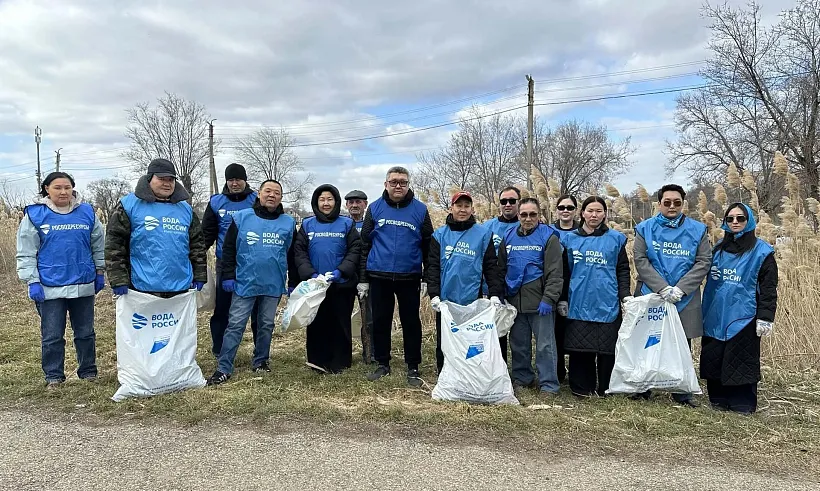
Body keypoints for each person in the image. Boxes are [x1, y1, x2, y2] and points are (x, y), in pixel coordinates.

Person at [16, 172, 105, 388]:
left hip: (82, 284)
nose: (63, 191)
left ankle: (88, 373)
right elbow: (26, 251)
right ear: (47, 189)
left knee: (85, 333)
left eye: (67, 187)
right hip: (49, 286)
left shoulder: (87, 213)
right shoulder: (36, 215)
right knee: (53, 336)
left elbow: (98, 245)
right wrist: (32, 280)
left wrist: (100, 272)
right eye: (57, 187)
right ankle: (54, 376)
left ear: (73, 188)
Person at [207, 180, 299, 385]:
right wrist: (228, 276)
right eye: (268, 191)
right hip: (244, 283)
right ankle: (223, 367)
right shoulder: (241, 218)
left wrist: (293, 281)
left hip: (272, 284)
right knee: (235, 325)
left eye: (277, 193)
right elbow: (228, 249)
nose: (272, 195)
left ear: (281, 198)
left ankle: (261, 361)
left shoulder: (288, 223)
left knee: (266, 324)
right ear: (259, 194)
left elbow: (293, 255)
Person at [633, 184, 711, 407]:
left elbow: (704, 261)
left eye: (677, 202)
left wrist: (681, 288)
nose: (672, 206)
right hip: (652, 293)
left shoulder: (698, 230)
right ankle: (643, 387)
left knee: (681, 344)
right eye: (667, 202)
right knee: (648, 342)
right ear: (659, 204)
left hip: (683, 297)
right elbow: (640, 260)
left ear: (683, 203)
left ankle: (681, 391)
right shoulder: (644, 228)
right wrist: (662, 287)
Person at [358, 166, 434, 387]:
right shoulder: (374, 208)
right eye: (394, 182)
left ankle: (413, 366)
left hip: (409, 276)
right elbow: (365, 245)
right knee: (381, 321)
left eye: (403, 182)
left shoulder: (420, 210)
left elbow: (428, 245)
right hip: (379, 275)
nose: (398, 185)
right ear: (386, 184)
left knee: (411, 322)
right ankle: (383, 363)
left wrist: (427, 277)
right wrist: (363, 278)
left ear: (409, 184)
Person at [700, 203, 777, 414]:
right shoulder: (717, 249)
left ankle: (742, 402)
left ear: (749, 221)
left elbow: (769, 288)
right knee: (715, 357)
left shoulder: (762, 252)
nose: (735, 222)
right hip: (715, 313)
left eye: (740, 218)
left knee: (741, 359)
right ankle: (718, 399)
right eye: (730, 218)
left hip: (744, 315)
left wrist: (766, 317)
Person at [558, 196, 630, 397]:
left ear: (605, 214)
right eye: (590, 210)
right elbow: (563, 271)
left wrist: (625, 296)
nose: (594, 215)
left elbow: (623, 269)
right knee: (581, 348)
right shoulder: (570, 239)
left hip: (607, 301)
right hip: (578, 301)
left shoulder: (616, 239)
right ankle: (582, 388)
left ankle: (607, 387)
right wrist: (562, 298)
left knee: (607, 349)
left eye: (599, 211)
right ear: (582, 213)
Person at [427, 191, 504, 374]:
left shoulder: (483, 235)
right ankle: (445, 373)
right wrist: (434, 294)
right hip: (445, 301)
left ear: (472, 209)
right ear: (451, 208)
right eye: (459, 206)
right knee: (446, 339)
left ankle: (470, 374)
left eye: (466, 206)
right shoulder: (439, 235)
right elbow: (432, 267)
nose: (463, 210)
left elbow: (491, 267)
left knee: (471, 340)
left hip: (472, 299)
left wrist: (494, 294)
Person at [105, 158, 207, 298]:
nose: (167, 183)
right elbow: (114, 245)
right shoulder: (128, 206)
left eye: (171, 180)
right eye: (161, 179)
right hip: (140, 289)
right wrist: (118, 278)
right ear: (149, 179)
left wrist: (200, 274)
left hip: (180, 287)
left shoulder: (186, 210)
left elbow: (197, 245)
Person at [497, 198, 564, 394]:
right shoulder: (508, 235)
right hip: (515, 301)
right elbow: (501, 268)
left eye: (532, 214)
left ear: (539, 215)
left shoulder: (549, 237)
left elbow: (555, 272)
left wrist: (549, 299)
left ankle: (549, 385)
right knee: (518, 344)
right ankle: (523, 378)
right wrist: (500, 294)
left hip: (540, 302)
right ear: (518, 215)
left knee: (545, 346)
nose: (528, 218)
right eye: (524, 214)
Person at [294, 184, 361, 373]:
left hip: (341, 284)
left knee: (340, 322)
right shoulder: (307, 224)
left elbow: (355, 250)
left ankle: (340, 362)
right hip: (316, 285)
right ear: (316, 202)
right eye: (322, 199)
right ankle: (317, 361)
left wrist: (341, 271)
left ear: (337, 202)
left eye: (329, 199)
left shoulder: (347, 224)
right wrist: (311, 274)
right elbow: (299, 252)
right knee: (316, 322)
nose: (326, 203)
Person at [202, 163, 259, 357]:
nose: (235, 183)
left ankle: (260, 351)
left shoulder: (256, 199)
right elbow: (207, 234)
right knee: (222, 309)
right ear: (227, 181)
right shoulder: (216, 202)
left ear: (245, 180)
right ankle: (220, 349)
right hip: (225, 264)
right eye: (231, 180)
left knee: (257, 309)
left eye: (238, 179)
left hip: (253, 263)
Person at [482, 186, 521, 363]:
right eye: (504, 201)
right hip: (493, 288)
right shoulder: (487, 227)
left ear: (519, 203)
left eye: (512, 201)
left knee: (520, 334)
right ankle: (498, 368)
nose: (508, 205)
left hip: (520, 287)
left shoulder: (527, 225)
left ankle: (521, 373)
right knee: (495, 332)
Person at [550, 194, 580, 382]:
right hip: (556, 287)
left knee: (576, 331)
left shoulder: (583, 231)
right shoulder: (549, 231)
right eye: (562, 207)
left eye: (570, 207)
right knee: (556, 332)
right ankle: (558, 372)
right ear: (557, 210)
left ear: (576, 210)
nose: (565, 211)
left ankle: (578, 373)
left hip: (579, 286)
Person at [345, 189, 374, 364]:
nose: (355, 205)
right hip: (347, 276)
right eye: (351, 202)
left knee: (369, 318)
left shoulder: (371, 225)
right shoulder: (342, 224)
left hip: (368, 276)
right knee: (343, 317)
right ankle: (344, 353)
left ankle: (370, 354)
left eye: (359, 202)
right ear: (346, 205)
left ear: (365, 204)